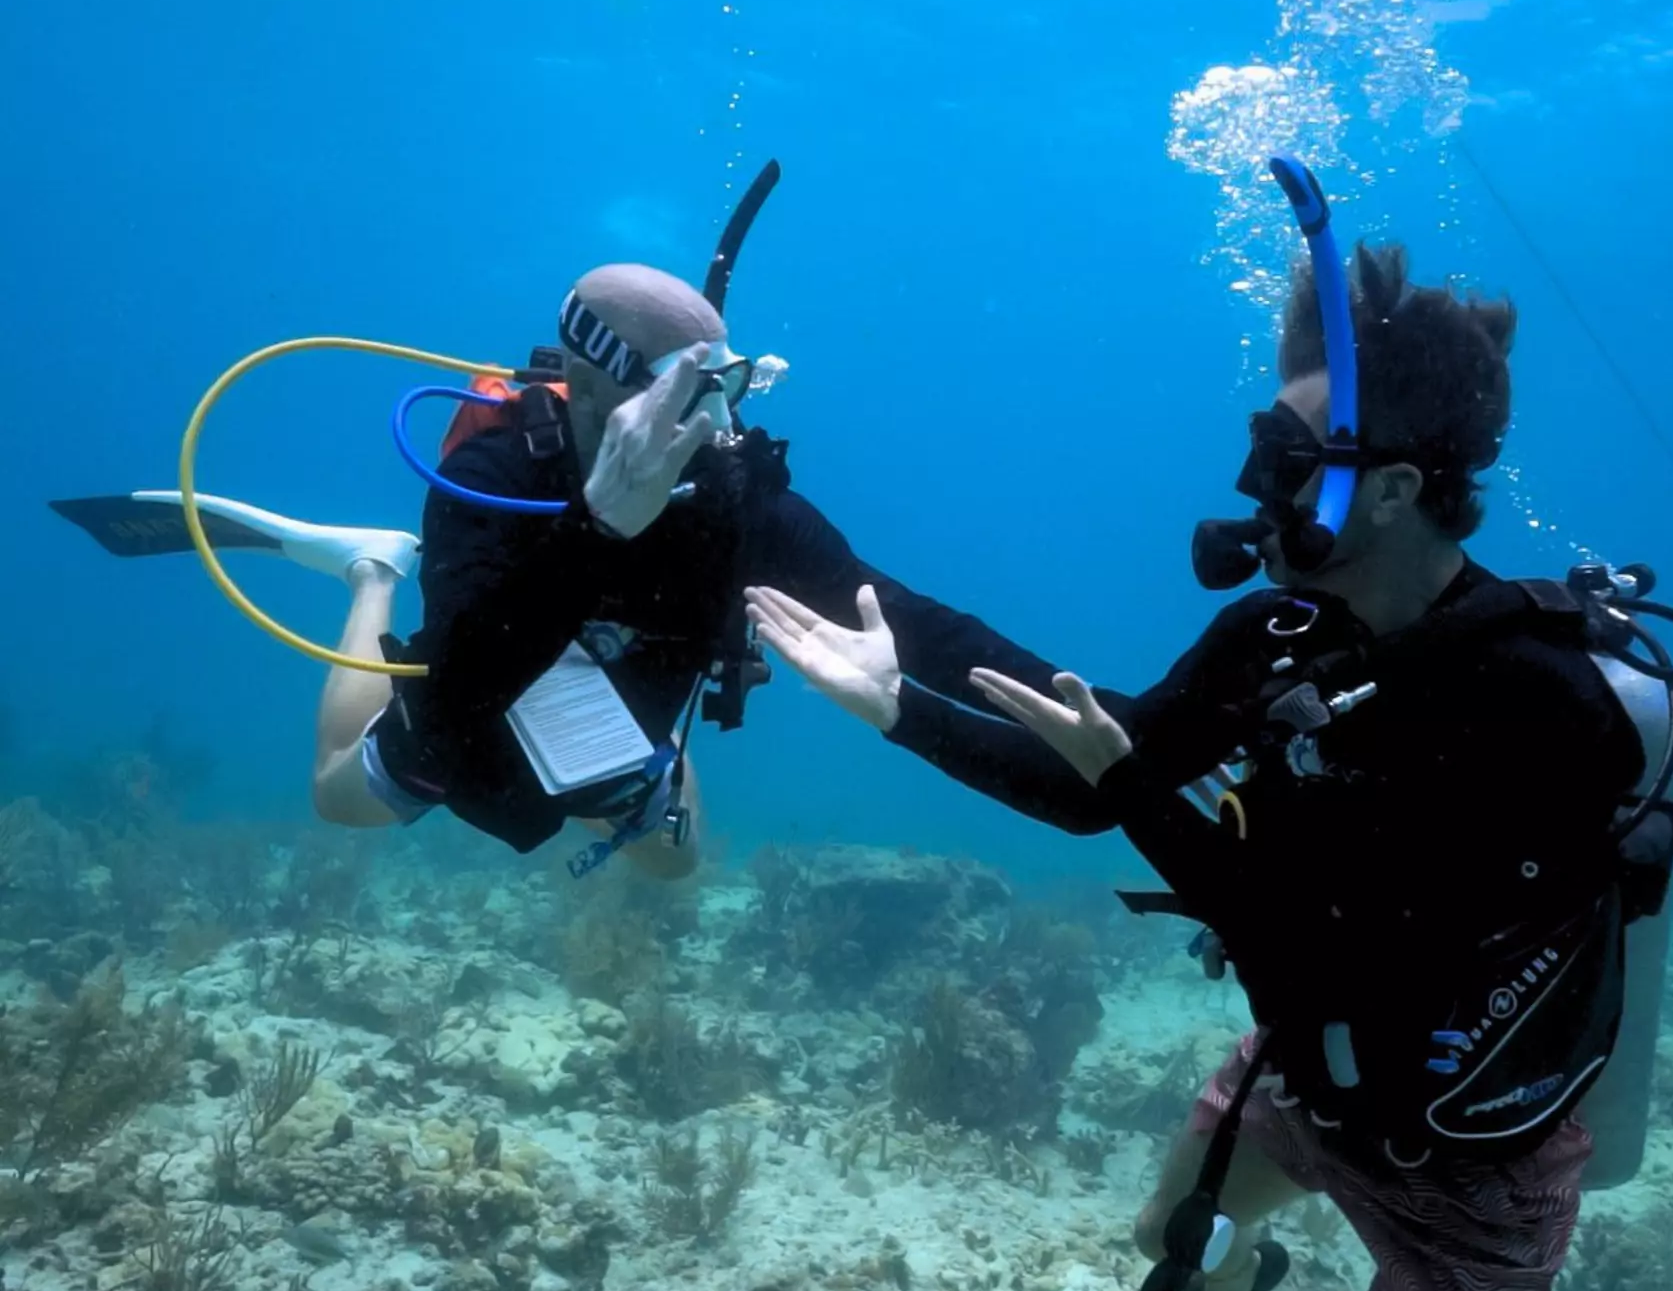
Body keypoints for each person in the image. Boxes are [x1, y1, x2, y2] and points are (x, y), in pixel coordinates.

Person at [741, 192, 1673, 1291]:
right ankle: (1233, 1286)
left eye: (1288, 461)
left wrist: (1137, 789)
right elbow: (1088, 776)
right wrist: (898, 702)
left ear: (1393, 489)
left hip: (1469, 1149)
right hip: (1311, 1072)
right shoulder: (1278, 635)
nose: (1257, 489)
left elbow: (1320, 941)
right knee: (1176, 1232)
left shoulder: (1533, 702)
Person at [52, 259, 1078, 882]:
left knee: (677, 873)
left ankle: (638, 757)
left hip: (616, 723)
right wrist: (598, 526)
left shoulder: (729, 489)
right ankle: (369, 574)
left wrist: (1096, 726)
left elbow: (894, 616)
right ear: (587, 382)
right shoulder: (499, 468)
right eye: (684, 397)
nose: (709, 431)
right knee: (338, 798)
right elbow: (459, 688)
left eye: (722, 396)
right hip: (482, 712)